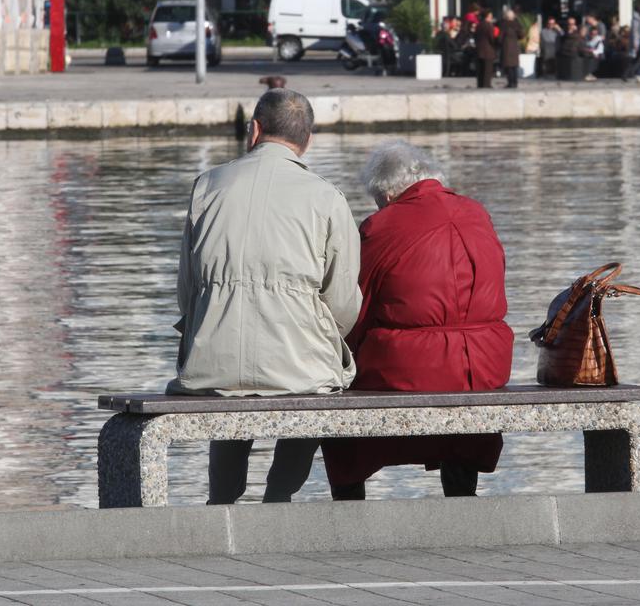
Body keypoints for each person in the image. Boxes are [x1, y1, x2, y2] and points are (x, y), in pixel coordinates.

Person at [168, 88, 361, 505]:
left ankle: (222, 501)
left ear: (253, 130)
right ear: (307, 139)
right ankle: (278, 496)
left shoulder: (207, 187)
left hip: (211, 365)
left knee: (225, 376)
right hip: (299, 364)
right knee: (314, 383)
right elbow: (344, 302)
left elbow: (187, 292)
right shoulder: (327, 197)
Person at [321, 140, 513, 500]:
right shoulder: (477, 213)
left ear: (390, 195)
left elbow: (352, 308)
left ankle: (348, 510)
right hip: (485, 367)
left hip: (408, 369)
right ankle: (460, 498)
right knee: (460, 413)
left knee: (341, 405)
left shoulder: (384, 225)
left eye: (378, 201)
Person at [498, 9, 525, 88]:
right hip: (515, 47)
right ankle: (515, 82)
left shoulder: (503, 24)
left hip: (506, 47)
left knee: (508, 66)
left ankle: (510, 83)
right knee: (514, 66)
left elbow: (500, 37)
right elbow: (522, 35)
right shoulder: (516, 24)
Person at [475, 9, 497, 88]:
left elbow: (475, 37)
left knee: (481, 69)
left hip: (479, 49)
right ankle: (486, 84)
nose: (492, 17)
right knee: (487, 69)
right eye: (491, 16)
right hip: (488, 50)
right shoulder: (489, 26)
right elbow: (492, 38)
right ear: (488, 16)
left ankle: (480, 84)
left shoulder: (479, 25)